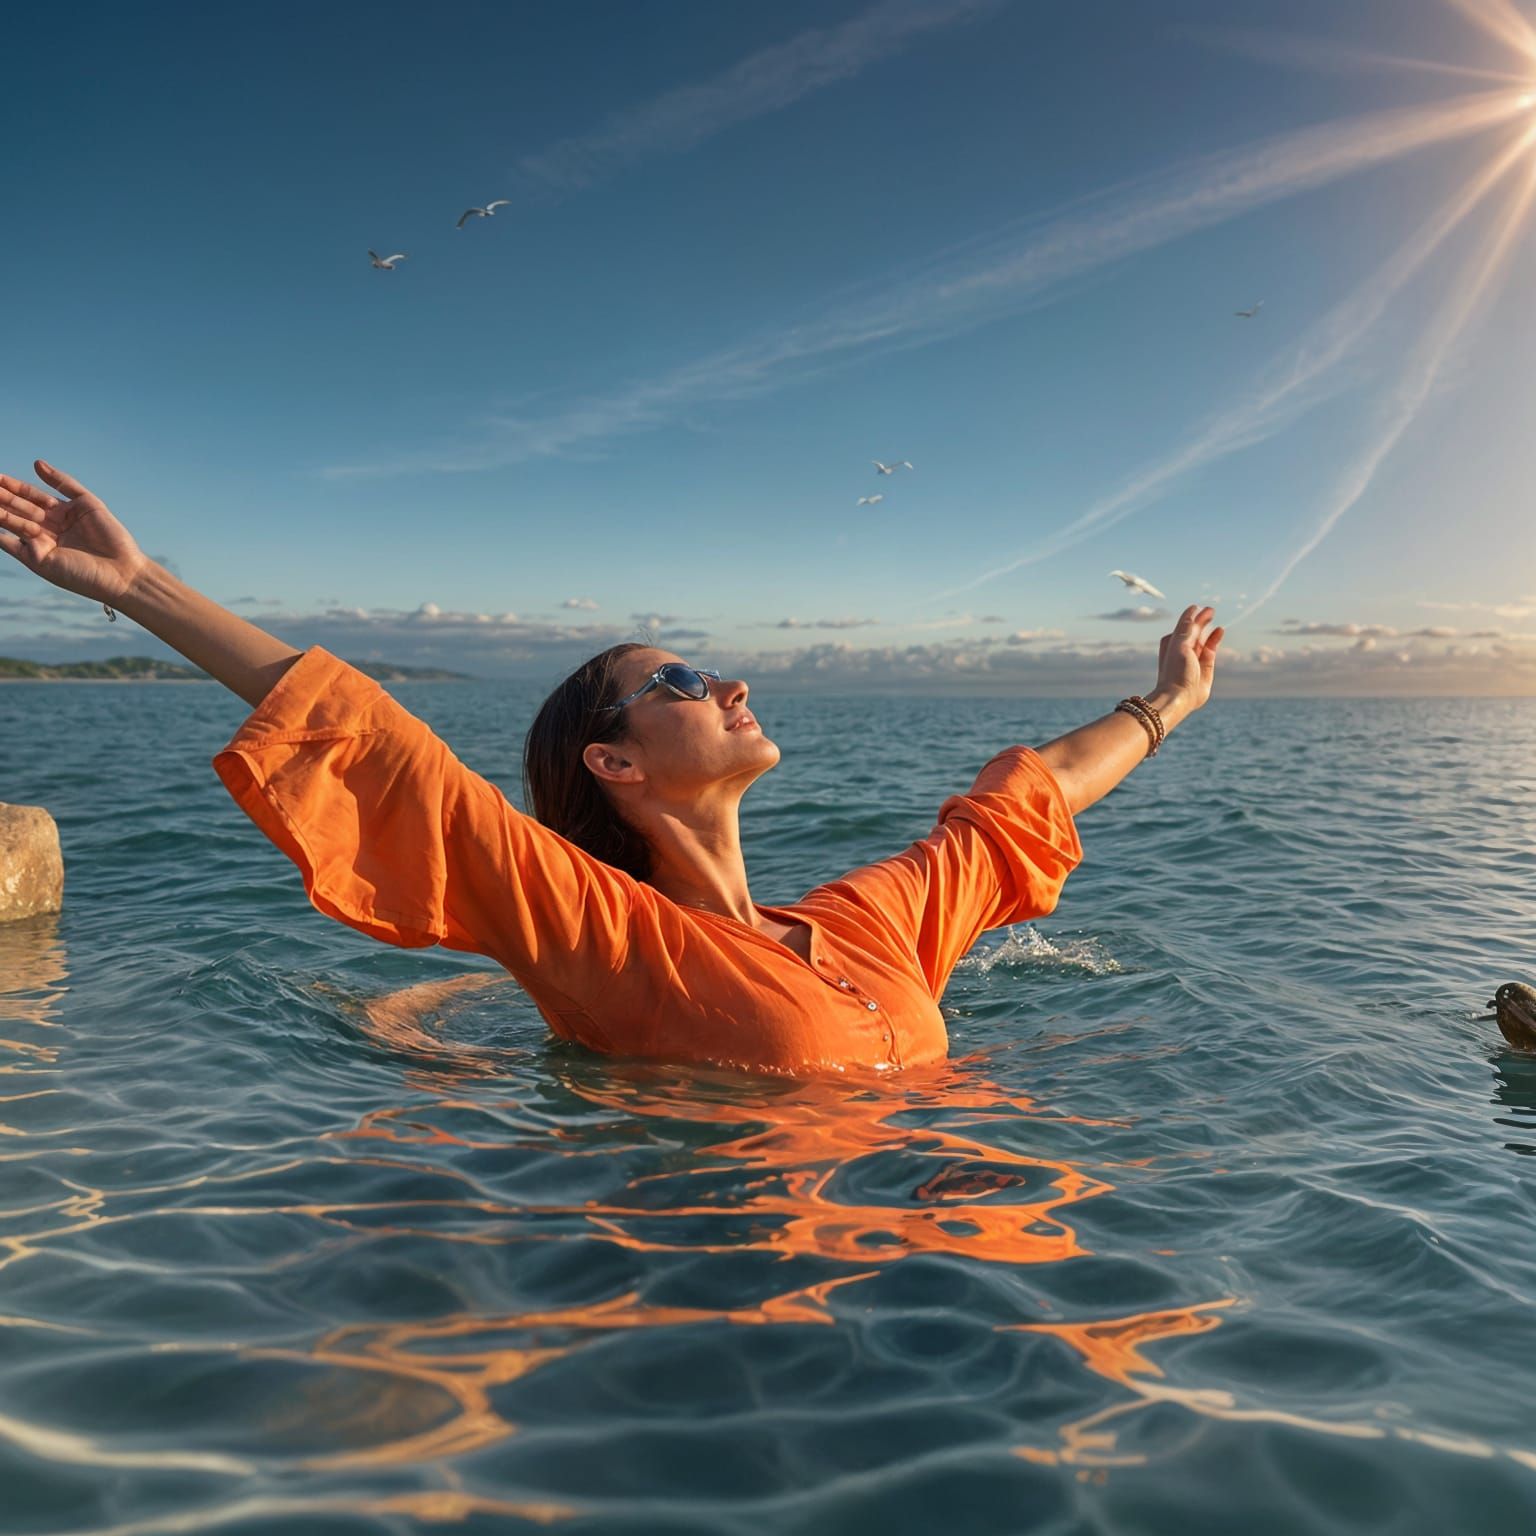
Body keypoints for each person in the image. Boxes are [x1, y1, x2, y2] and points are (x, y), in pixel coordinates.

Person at [0, 459, 1224, 1075]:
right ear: (614, 761)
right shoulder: (600, 924)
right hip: (750, 1311)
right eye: (680, 683)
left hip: (956, 1269)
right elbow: (375, 741)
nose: (729, 683)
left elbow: (1021, 801)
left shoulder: (866, 925)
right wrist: (137, 586)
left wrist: (1165, 703)